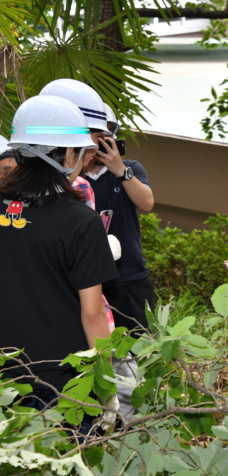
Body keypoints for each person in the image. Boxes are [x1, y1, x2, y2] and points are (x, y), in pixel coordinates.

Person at [0, 95, 118, 430]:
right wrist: (104, 383)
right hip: (64, 382)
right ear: (67, 154)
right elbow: (93, 313)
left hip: (4, 375)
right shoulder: (80, 221)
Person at [81, 101, 156, 335]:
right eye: (95, 135)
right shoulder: (71, 177)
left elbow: (147, 203)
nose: (100, 141)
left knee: (141, 346)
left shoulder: (130, 168)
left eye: (106, 134)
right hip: (86, 278)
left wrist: (120, 170)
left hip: (129, 275)